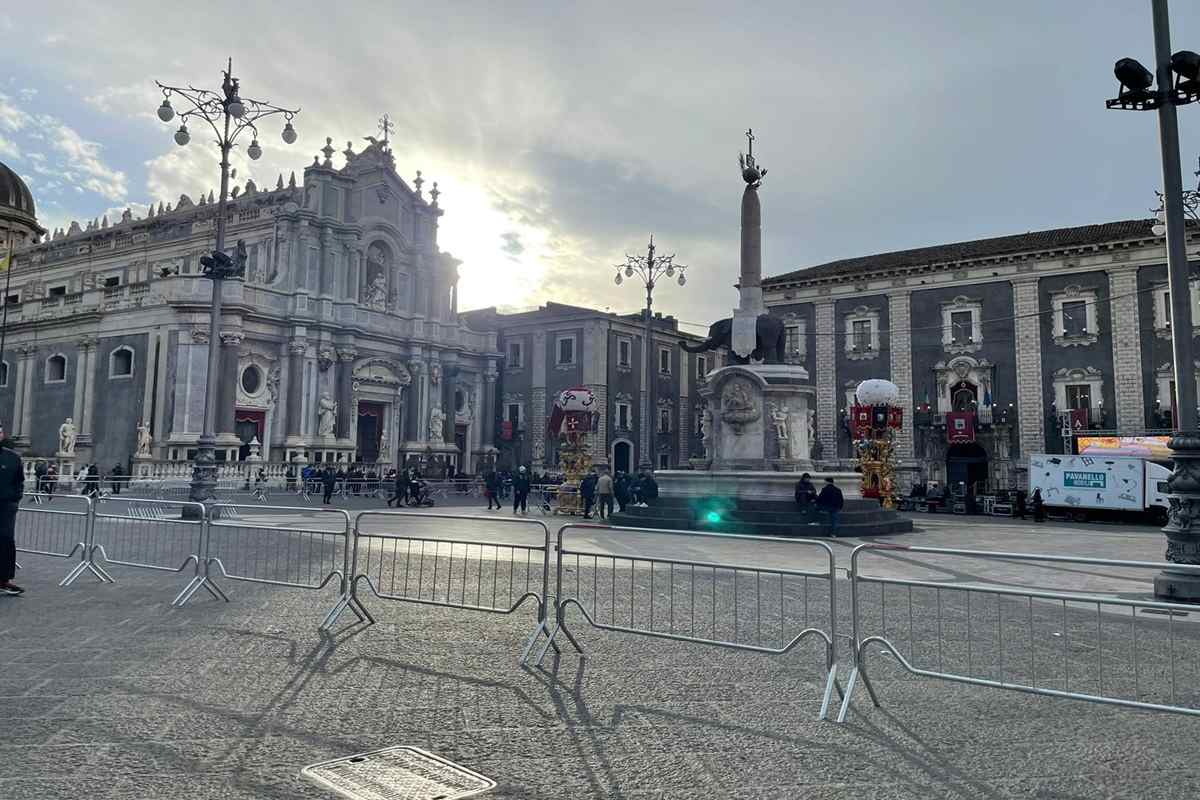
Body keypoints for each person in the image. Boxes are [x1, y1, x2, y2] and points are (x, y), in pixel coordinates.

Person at [0, 435, 24, 595]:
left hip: (6, 506)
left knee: (6, 540)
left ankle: (4, 580)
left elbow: (19, 481)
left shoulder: (13, 458)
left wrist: (15, 498)